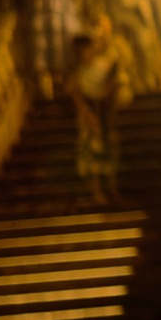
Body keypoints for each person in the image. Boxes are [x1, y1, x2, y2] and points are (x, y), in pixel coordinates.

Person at [68, 16, 131, 206]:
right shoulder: (76, 73)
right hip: (89, 119)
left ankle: (112, 190)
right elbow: (75, 95)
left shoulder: (104, 66)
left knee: (109, 155)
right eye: (81, 50)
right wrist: (88, 115)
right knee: (91, 158)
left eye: (87, 48)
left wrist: (109, 89)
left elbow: (115, 86)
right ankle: (96, 193)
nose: (84, 53)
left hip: (105, 115)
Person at [21, 0, 80, 100]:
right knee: (43, 46)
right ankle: (46, 88)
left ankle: (61, 84)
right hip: (43, 11)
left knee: (63, 44)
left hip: (63, 11)